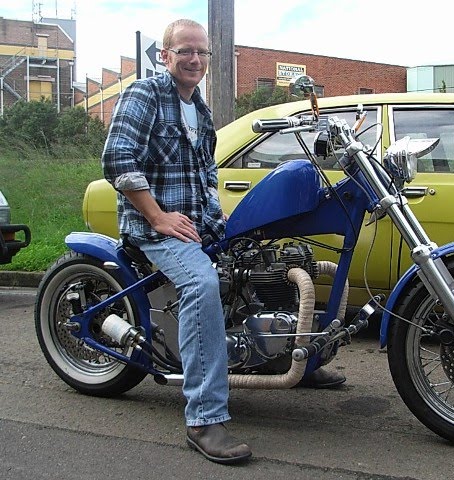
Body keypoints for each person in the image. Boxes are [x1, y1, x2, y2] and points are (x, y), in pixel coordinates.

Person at [102, 17, 344, 466]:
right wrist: (156, 216)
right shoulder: (145, 94)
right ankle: (203, 419)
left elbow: (205, 174)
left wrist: (220, 214)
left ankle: (293, 359)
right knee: (201, 285)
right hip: (155, 228)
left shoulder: (200, 107)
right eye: (185, 51)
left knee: (268, 259)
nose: (194, 59)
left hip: (199, 223)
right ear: (165, 56)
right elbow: (117, 159)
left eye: (201, 52)